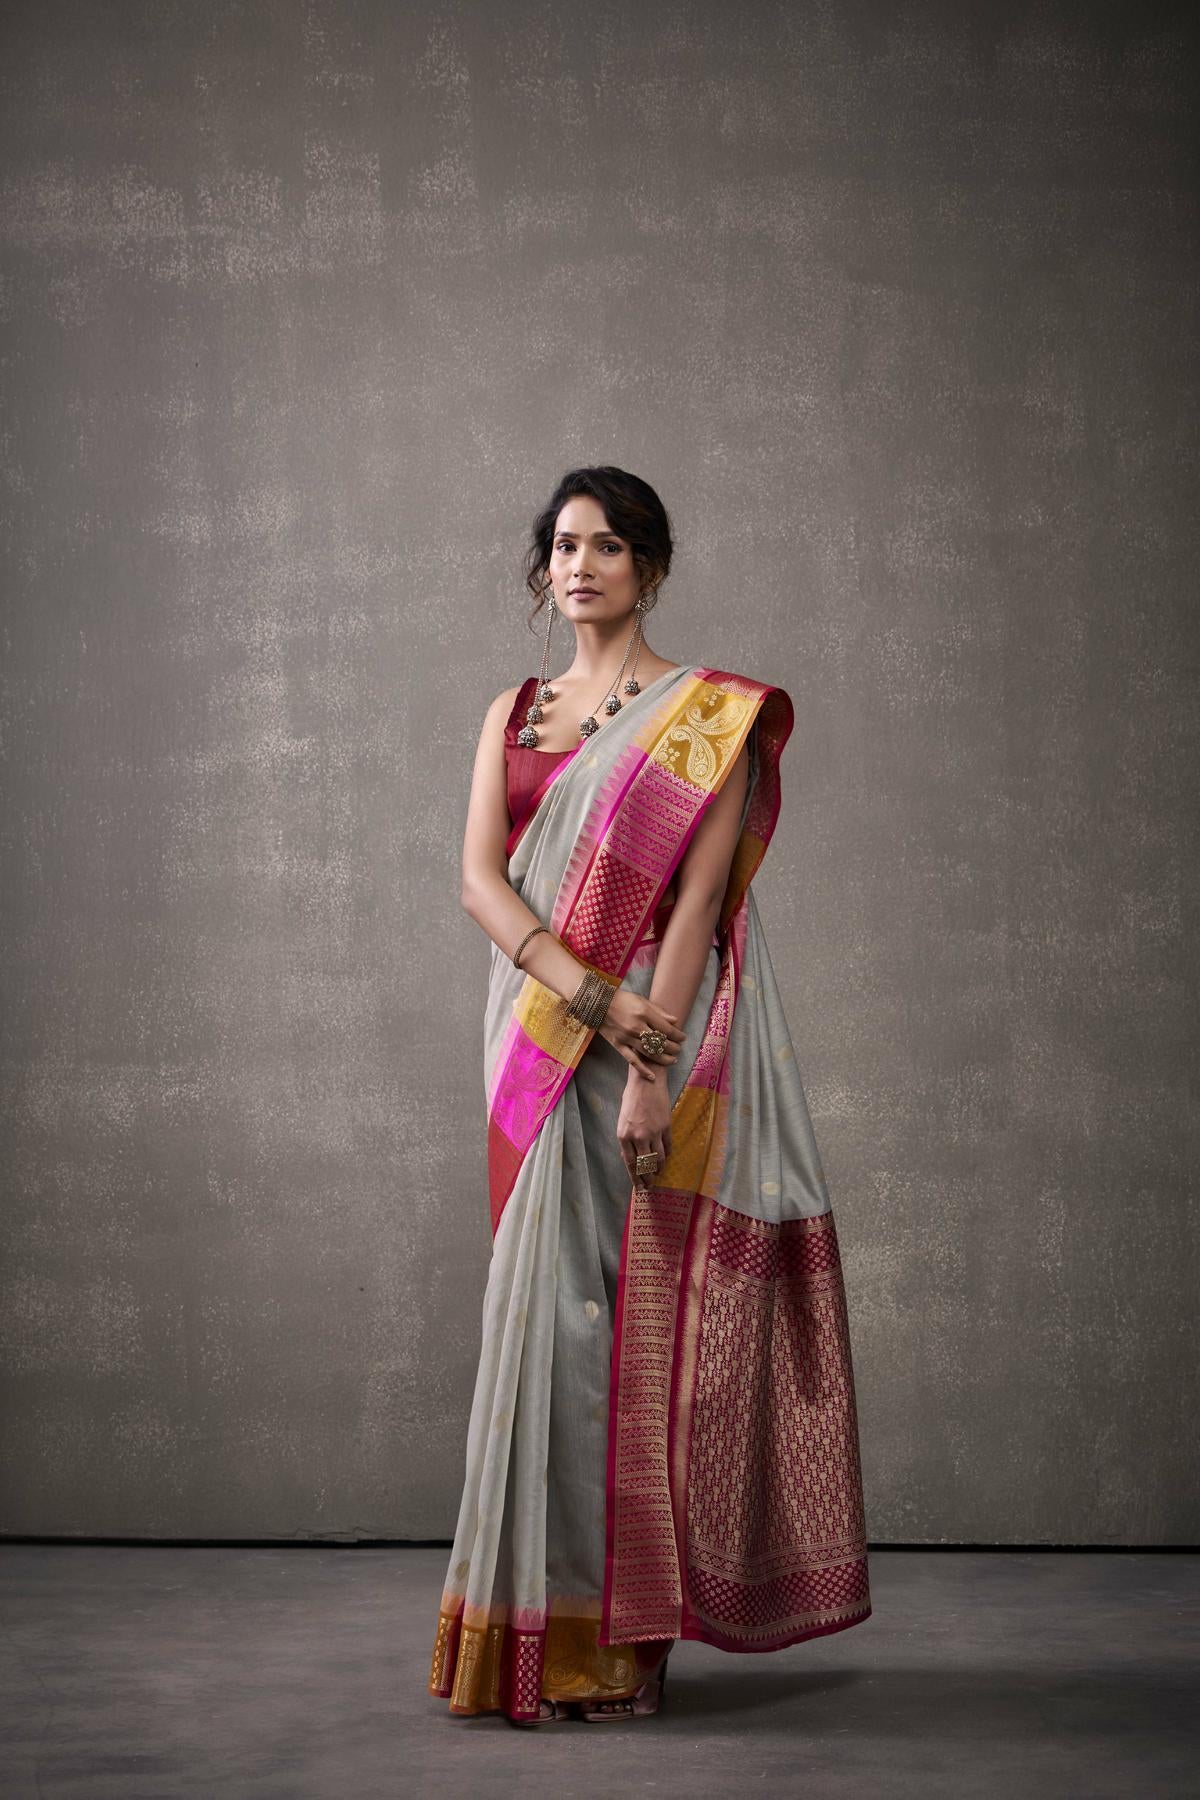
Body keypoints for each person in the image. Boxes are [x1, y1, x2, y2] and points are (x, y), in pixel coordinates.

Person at [428, 466, 871, 1727]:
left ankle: (616, 1651)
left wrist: (649, 1067)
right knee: (536, 1333)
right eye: (564, 545)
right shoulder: (511, 713)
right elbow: (478, 881)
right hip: (538, 1045)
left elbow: (697, 906)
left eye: (609, 546)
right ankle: (527, 1641)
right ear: (544, 568)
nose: (581, 565)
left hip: (640, 1053)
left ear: (652, 567)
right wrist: (584, 996)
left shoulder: (705, 718)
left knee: (619, 1342)